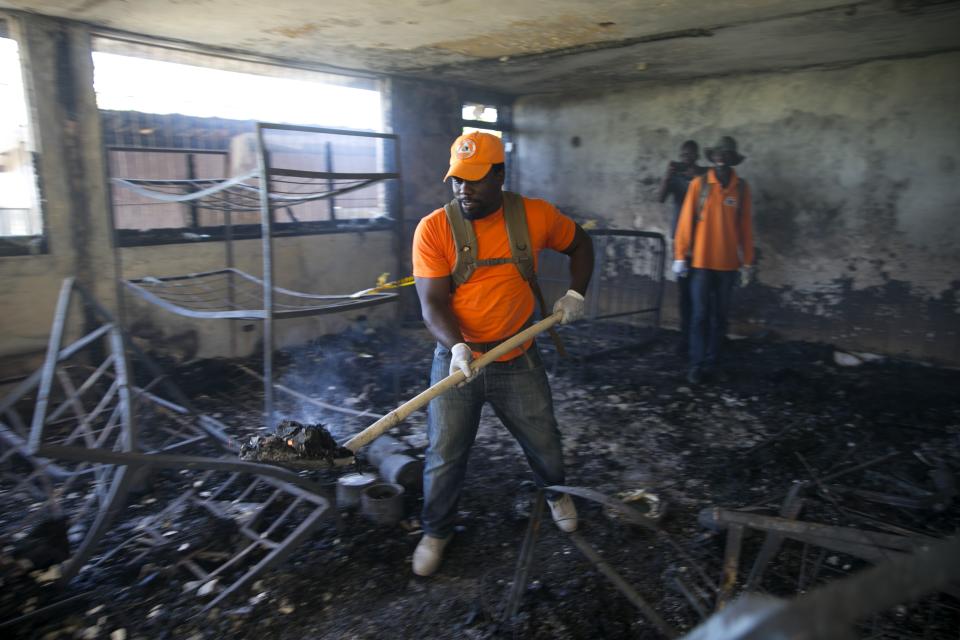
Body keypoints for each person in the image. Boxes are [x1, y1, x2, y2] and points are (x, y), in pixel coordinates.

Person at [410, 131, 594, 577]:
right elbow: (432, 303)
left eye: (474, 179)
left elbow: (581, 245)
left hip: (518, 354)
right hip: (457, 359)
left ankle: (556, 493)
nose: (463, 189)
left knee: (544, 439)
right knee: (445, 452)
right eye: (457, 179)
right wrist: (456, 347)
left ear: (500, 175)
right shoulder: (435, 228)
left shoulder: (534, 216)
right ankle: (436, 530)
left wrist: (575, 293)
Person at [672, 136, 755, 385]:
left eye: (726, 154)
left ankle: (712, 363)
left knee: (720, 317)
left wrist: (748, 262)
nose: (721, 157)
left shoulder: (741, 188)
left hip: (728, 266)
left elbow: (745, 228)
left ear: (732, 160)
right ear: (713, 158)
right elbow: (685, 222)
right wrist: (680, 255)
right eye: (718, 153)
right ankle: (696, 365)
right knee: (699, 315)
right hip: (700, 264)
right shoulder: (700, 185)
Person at [657, 141, 706, 353]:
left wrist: (699, 176)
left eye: (691, 154)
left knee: (704, 294)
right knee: (684, 293)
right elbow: (660, 198)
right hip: (681, 242)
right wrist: (667, 176)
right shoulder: (675, 176)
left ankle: (703, 339)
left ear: (697, 155)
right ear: (680, 154)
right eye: (684, 154)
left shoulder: (707, 174)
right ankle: (685, 338)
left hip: (705, 241)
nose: (687, 157)